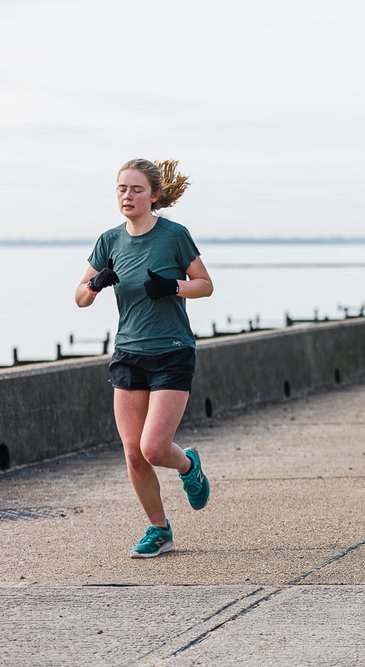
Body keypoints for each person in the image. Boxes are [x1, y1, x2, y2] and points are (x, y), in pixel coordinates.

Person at [75, 159, 214, 558]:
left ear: (154, 196)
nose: (127, 196)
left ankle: (188, 466)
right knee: (133, 452)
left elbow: (205, 285)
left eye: (136, 190)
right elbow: (80, 297)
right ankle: (159, 530)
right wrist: (97, 284)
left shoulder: (174, 236)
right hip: (128, 354)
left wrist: (173, 286)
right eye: (121, 189)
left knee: (155, 448)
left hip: (172, 352)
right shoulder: (109, 242)